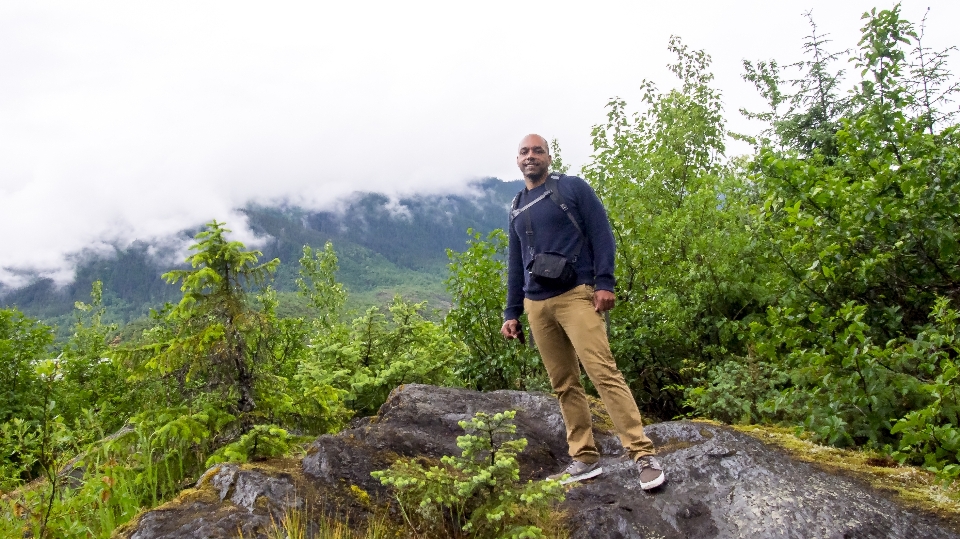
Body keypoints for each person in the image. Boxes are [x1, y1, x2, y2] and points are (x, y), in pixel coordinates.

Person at [500, 134, 665, 490]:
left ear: (548, 156)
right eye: (525, 152)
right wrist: (511, 312)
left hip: (577, 295)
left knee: (603, 372)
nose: (531, 157)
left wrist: (605, 282)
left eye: (538, 151)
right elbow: (516, 262)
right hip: (536, 304)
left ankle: (642, 454)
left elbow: (602, 234)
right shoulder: (515, 204)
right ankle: (584, 458)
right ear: (517, 160)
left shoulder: (572, 188)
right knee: (563, 383)